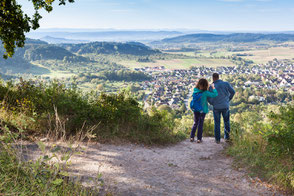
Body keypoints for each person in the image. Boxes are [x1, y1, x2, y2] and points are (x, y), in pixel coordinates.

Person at [207, 73, 235, 144]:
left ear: (213, 78)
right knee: (226, 122)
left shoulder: (211, 87)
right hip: (225, 106)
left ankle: (217, 140)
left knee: (217, 123)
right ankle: (227, 138)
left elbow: (208, 97)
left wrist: (212, 103)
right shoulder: (226, 84)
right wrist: (228, 99)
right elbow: (233, 92)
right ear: (218, 77)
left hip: (216, 107)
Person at [190, 78, 218, 143]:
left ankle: (192, 137)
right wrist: (213, 87)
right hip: (202, 110)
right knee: (200, 124)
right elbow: (215, 94)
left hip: (195, 109)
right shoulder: (205, 93)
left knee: (195, 123)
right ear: (206, 85)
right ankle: (199, 139)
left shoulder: (195, 91)